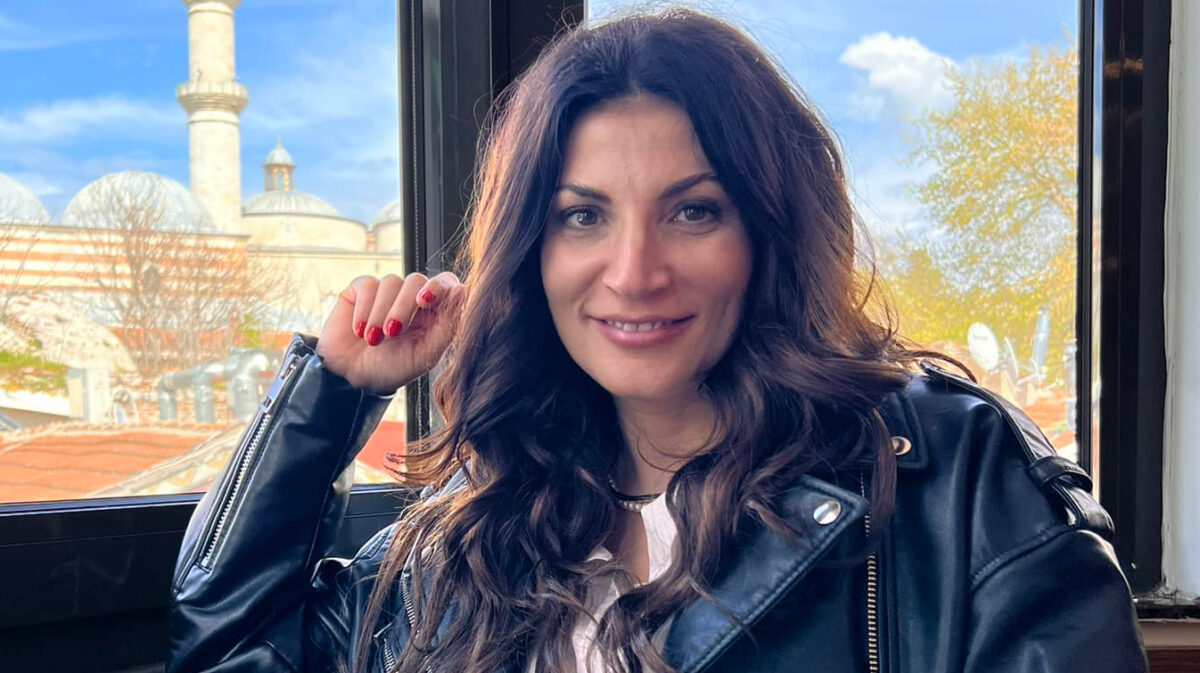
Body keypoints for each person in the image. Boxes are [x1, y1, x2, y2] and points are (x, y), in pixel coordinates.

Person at [167, 8, 1147, 673]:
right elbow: (230, 646)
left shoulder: (953, 475)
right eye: (582, 216)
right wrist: (332, 388)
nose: (634, 272)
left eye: (693, 211)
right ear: (531, 252)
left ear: (768, 231)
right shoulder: (464, 536)